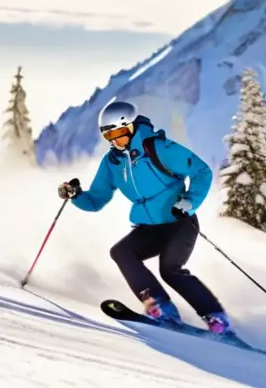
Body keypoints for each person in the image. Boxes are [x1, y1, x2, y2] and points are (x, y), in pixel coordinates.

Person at [57, 98, 234, 335]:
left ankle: (216, 318)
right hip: (149, 227)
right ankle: (160, 308)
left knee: (170, 269)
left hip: (179, 221)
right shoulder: (112, 163)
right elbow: (96, 200)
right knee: (121, 252)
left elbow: (201, 171)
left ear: (131, 127)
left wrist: (189, 202)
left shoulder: (158, 148)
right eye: (110, 136)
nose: (116, 141)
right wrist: (76, 195)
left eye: (120, 133)